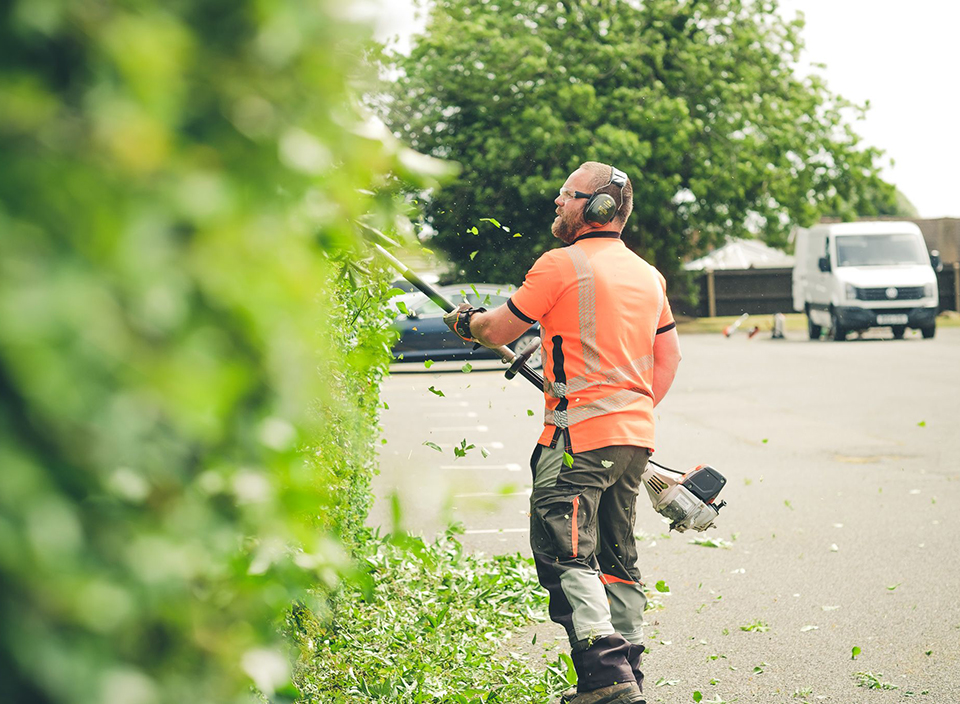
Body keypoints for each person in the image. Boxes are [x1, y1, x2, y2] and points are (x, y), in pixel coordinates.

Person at [444, 161, 682, 704]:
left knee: (566, 551)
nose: (557, 203)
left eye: (566, 196)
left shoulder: (559, 264)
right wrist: (628, 410)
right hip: (632, 439)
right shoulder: (649, 275)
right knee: (618, 557)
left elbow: (499, 328)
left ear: (596, 207)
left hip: (575, 443)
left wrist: (467, 322)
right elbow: (668, 357)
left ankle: (606, 678)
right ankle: (630, 673)